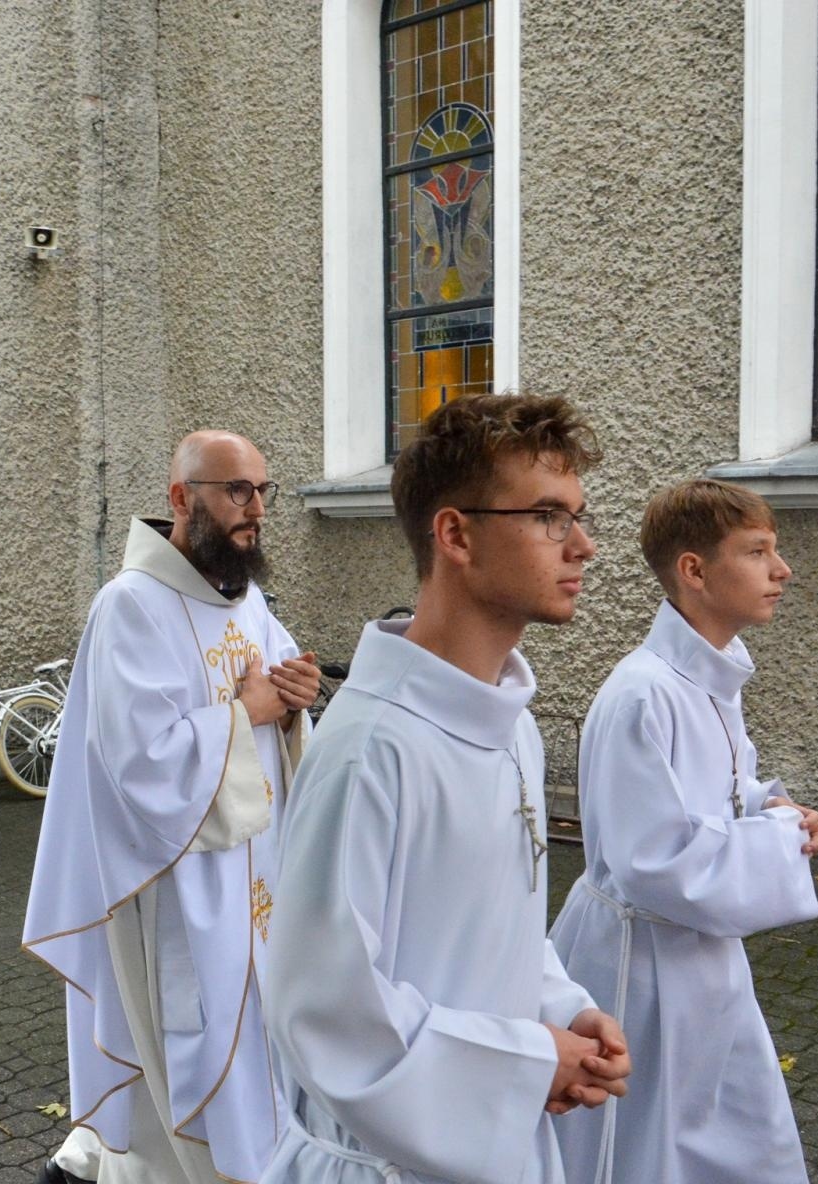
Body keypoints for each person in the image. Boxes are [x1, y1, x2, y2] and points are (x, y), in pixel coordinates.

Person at [261, 394, 631, 1184]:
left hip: (500, 1144)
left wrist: (560, 1011)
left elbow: (486, 931)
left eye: (578, 516)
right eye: (550, 517)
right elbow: (326, 1011)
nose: (585, 546)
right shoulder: (371, 749)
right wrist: (533, 1062)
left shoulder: (512, 726)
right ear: (456, 534)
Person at [24, 430, 321, 1184]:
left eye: (262, 490)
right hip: (177, 888)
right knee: (188, 1055)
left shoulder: (247, 603)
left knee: (259, 1042)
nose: (254, 508)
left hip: (256, 881)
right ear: (181, 498)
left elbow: (277, 710)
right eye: (236, 491)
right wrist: (246, 713)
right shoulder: (130, 607)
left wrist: (292, 708)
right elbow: (142, 762)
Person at [550, 478, 818, 1184]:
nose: (781, 570)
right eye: (758, 551)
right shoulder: (644, 693)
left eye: (776, 550)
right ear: (694, 571)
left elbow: (720, 796)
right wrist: (780, 842)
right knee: (643, 1148)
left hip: (702, 960)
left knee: (738, 1134)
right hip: (640, 969)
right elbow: (654, 860)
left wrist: (774, 810)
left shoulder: (708, 681)